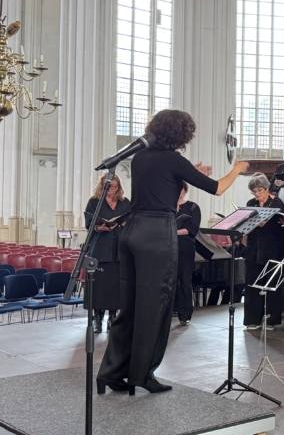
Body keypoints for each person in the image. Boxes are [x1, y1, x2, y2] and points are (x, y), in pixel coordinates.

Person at [96, 109, 249, 395]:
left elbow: (162, 186)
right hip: (157, 234)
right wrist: (237, 169)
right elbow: (217, 189)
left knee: (129, 305)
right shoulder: (174, 159)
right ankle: (142, 374)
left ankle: (111, 372)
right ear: (181, 134)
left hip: (132, 231)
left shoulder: (141, 157)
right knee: (155, 307)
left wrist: (191, 174)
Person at [84, 174, 131, 334]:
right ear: (102, 186)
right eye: (109, 186)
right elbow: (88, 223)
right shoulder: (94, 202)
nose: (112, 190)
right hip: (100, 248)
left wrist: (124, 224)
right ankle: (98, 319)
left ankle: (113, 317)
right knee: (98, 286)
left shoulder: (125, 202)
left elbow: (132, 221)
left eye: (115, 187)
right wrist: (99, 227)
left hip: (119, 249)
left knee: (115, 286)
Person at [242, 174, 284, 331]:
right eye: (254, 191)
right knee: (252, 284)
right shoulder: (251, 203)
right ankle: (252, 319)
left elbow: (283, 228)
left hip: (274, 249)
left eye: (260, 190)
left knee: (272, 284)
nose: (257, 194)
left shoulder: (277, 203)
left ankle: (272, 319)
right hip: (254, 249)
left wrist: (268, 223)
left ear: (267, 188)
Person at [173, 184, 201, 327]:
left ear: (185, 190)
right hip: (168, 248)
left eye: (180, 189)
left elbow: (192, 229)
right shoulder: (167, 206)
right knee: (170, 280)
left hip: (185, 248)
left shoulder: (193, 207)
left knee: (185, 280)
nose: (178, 192)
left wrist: (172, 231)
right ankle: (170, 311)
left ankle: (185, 314)